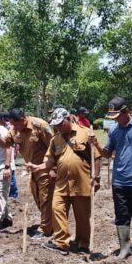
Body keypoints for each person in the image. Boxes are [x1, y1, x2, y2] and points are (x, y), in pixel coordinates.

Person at [90, 97, 132, 258]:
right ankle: (124, 247)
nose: (116, 119)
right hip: (118, 179)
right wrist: (96, 144)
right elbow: (107, 153)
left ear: (126, 111)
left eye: (118, 115)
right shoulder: (113, 130)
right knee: (121, 214)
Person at [34, 108, 101, 255]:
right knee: (56, 209)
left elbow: (96, 156)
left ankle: (83, 243)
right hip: (61, 183)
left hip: (82, 182)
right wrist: (38, 167)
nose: (58, 127)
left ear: (68, 119)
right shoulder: (55, 139)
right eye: (56, 125)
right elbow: (49, 161)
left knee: (82, 216)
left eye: (60, 124)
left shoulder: (86, 133)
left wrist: (96, 178)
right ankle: (61, 242)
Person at [8, 107, 55, 239]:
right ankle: (51, 224)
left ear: (22, 120)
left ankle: (45, 229)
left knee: (45, 199)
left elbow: (54, 146)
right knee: (39, 199)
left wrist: (53, 168)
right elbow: (7, 142)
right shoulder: (16, 129)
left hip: (45, 169)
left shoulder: (40, 126)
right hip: (32, 170)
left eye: (15, 124)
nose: (14, 128)